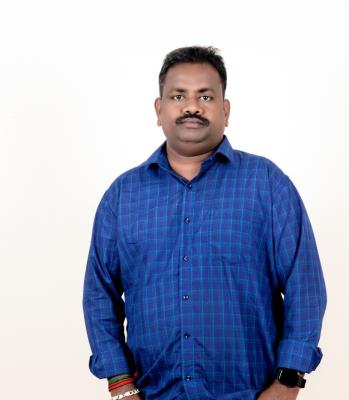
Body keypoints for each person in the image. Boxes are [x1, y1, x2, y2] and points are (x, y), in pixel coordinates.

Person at [83, 46, 327, 400]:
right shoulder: (123, 196)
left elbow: (305, 287)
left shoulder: (267, 184)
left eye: (206, 96)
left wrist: (288, 382)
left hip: (251, 393)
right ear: (159, 109)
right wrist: (120, 384)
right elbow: (99, 295)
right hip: (153, 394)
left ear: (225, 110)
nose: (192, 107)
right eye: (178, 96)